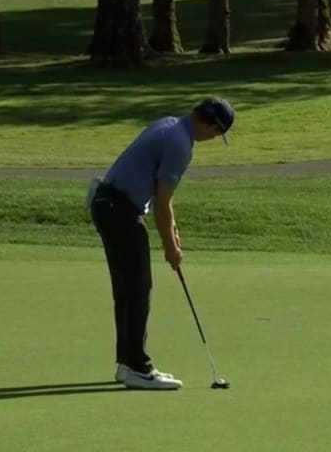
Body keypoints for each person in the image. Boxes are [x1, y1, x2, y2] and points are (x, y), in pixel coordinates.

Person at [88, 98, 235, 390]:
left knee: (128, 289)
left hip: (109, 205)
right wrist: (171, 248)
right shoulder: (181, 144)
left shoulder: (170, 125)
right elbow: (162, 203)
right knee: (138, 289)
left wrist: (173, 233)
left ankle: (127, 364)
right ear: (210, 125)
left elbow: (160, 196)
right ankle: (137, 366)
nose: (213, 139)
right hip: (119, 210)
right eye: (218, 134)